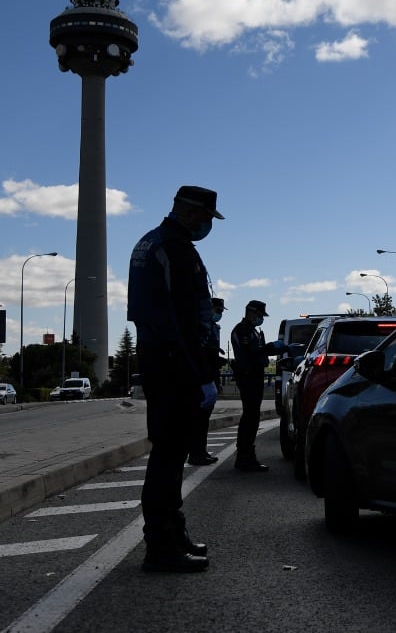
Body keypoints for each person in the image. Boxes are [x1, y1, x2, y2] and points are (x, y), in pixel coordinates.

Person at [126, 185, 224, 573]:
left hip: (159, 357)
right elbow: (184, 320)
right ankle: (162, 547)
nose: (206, 226)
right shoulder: (175, 249)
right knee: (168, 456)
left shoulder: (151, 243)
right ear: (188, 213)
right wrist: (201, 374)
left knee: (170, 453)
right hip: (174, 362)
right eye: (204, 218)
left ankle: (172, 535)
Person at [229, 299, 281, 471]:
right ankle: (244, 457)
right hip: (248, 377)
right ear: (252, 312)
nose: (261, 319)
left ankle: (246, 456)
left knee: (252, 418)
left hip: (254, 376)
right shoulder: (243, 330)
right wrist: (271, 347)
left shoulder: (252, 330)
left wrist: (272, 349)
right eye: (259, 315)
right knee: (250, 418)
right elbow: (250, 353)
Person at [188, 297, 226, 466]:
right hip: (202, 378)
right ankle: (196, 453)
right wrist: (214, 359)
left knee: (203, 420)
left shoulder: (213, 327)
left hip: (210, 375)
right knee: (199, 419)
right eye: (217, 310)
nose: (218, 314)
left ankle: (201, 451)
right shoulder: (200, 327)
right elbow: (200, 352)